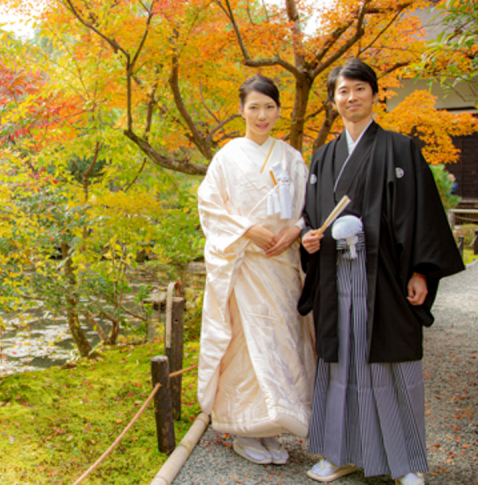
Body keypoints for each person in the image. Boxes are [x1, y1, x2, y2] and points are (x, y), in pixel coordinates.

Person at [298, 58, 465, 485]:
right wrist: (310, 240)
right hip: (337, 279)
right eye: (342, 91)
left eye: (359, 89)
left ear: (374, 94)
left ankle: (404, 460)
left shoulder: (400, 148)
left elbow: (420, 214)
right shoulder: (322, 158)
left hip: (386, 278)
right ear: (333, 100)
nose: (351, 97)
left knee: (390, 364)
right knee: (341, 366)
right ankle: (340, 453)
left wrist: (422, 272)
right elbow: (312, 219)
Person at [196, 75, 316, 466]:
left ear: (279, 110)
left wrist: (294, 231)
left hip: (282, 264)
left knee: (283, 343)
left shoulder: (291, 157)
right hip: (245, 264)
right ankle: (247, 428)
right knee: (247, 345)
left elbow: (306, 207)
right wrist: (249, 230)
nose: (262, 115)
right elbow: (211, 206)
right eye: (254, 107)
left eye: (269, 107)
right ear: (241, 109)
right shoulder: (227, 156)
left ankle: (272, 427)